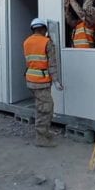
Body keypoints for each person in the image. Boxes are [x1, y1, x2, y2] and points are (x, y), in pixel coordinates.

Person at [23, 18, 64, 147]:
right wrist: (56, 81)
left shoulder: (26, 42)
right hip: (41, 81)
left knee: (40, 107)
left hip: (31, 80)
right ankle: (41, 137)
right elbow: (52, 64)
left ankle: (43, 132)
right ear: (43, 29)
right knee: (46, 108)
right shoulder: (47, 42)